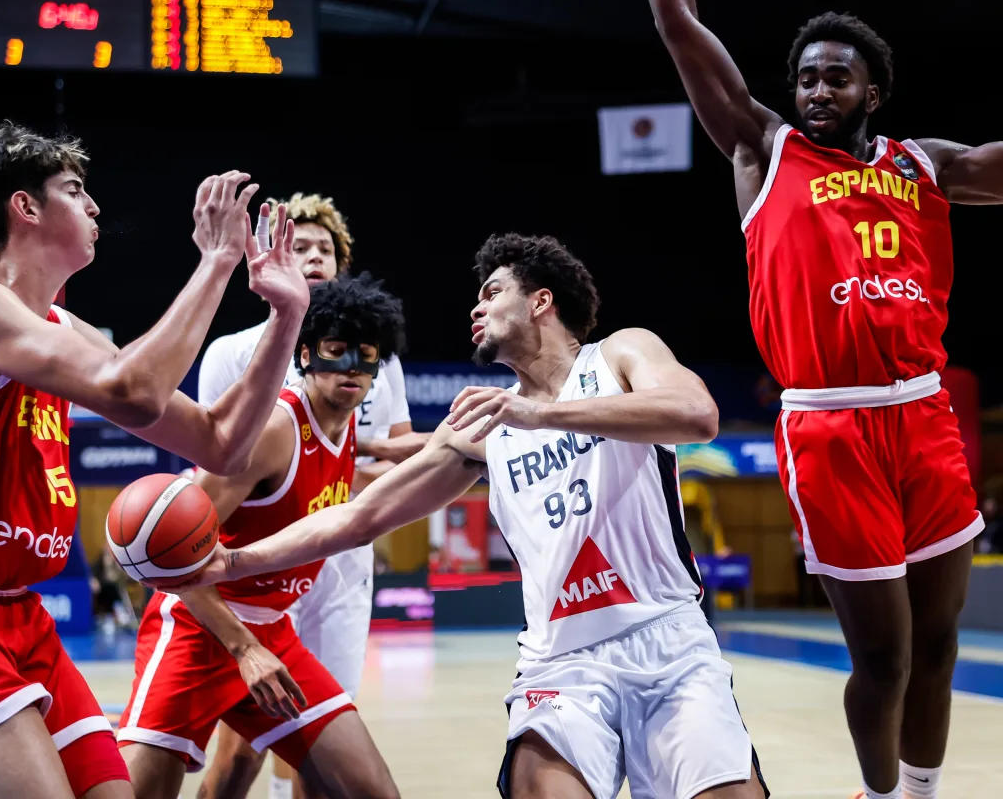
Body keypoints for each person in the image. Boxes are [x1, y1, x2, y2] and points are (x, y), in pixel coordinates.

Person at [184, 233, 770, 799]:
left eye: (492, 292)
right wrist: (231, 559)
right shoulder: (483, 424)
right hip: (561, 661)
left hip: (669, 640)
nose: (475, 305)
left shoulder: (618, 354)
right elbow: (357, 518)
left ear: (541, 300)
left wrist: (541, 417)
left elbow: (696, 414)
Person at [0, 122, 310, 799]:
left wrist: (287, 316)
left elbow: (221, 444)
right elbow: (134, 390)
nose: (94, 208)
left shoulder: (64, 328)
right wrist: (216, 262)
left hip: (18, 613)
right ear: (25, 208)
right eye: (75, 190)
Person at [649, 3, 1003, 797]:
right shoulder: (765, 150)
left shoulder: (924, 164)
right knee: (884, 658)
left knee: (939, 646)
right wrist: (670, 8)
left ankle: (919, 792)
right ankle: (876, 795)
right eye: (806, 77)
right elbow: (686, 40)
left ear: (872, 93)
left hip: (924, 414)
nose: (816, 90)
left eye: (835, 78)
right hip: (831, 424)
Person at [118, 274, 405, 799]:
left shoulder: (341, 436)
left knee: (371, 790)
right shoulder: (273, 431)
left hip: (274, 631)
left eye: (364, 356)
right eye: (335, 352)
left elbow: (394, 475)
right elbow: (175, 559)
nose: (351, 368)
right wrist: (244, 649)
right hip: (200, 629)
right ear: (305, 355)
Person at [193, 192, 426, 799]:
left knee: (322, 733)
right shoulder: (232, 352)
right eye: (300, 246)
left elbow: (391, 451)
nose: (314, 256)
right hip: (260, 560)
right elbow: (214, 472)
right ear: (274, 258)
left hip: (339, 559)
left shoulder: (376, 357)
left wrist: (476, 442)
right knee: (242, 741)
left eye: (326, 248)